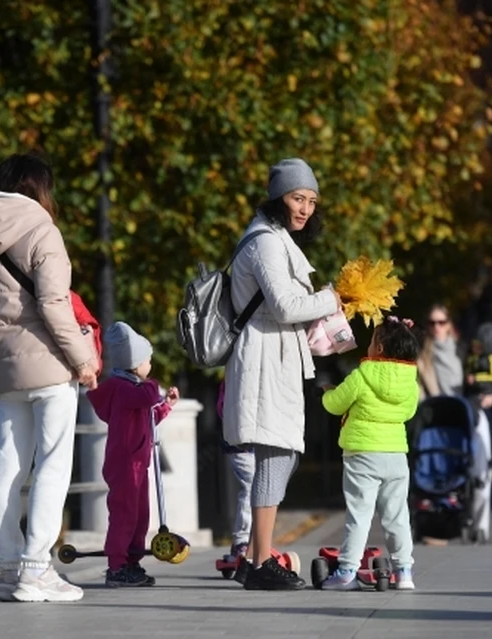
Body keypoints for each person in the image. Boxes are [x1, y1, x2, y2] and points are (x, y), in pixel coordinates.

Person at [0, 151, 99, 603]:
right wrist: (84, 360)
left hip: (5, 371)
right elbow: (54, 305)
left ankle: (7, 570)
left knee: (8, 466)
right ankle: (36, 569)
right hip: (48, 365)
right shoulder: (44, 230)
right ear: (39, 188)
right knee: (53, 465)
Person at [221, 158, 341, 591]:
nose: (305, 208)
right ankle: (258, 562)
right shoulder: (266, 242)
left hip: (275, 357)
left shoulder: (276, 239)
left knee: (281, 457)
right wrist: (334, 298)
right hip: (264, 360)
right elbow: (286, 306)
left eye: (311, 200)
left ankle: (253, 557)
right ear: (277, 197)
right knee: (275, 456)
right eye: (297, 198)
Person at [319, 317, 422, 591]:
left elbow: (335, 405)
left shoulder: (361, 375)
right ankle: (404, 572)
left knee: (359, 515)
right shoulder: (411, 382)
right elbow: (409, 412)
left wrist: (328, 392)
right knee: (398, 516)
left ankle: (347, 572)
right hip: (396, 455)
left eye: (373, 339)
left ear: (379, 348)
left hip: (362, 454)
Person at [86, 322, 179, 587]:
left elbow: (148, 416)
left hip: (137, 462)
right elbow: (149, 396)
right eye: (148, 361)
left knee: (139, 514)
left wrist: (167, 406)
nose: (150, 366)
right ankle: (117, 565)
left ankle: (132, 560)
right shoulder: (127, 390)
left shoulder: (132, 392)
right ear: (136, 364)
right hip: (126, 464)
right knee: (124, 513)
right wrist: (152, 384)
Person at [216, 381, 255, 570]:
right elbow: (223, 408)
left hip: (259, 442)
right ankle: (242, 541)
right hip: (240, 444)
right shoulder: (235, 376)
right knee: (252, 486)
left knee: (264, 488)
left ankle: (254, 540)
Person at [417, 304, 464, 400]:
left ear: (449, 324)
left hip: (463, 406)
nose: (436, 326)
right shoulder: (422, 354)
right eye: (432, 323)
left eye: (441, 322)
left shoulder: (462, 348)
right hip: (437, 407)